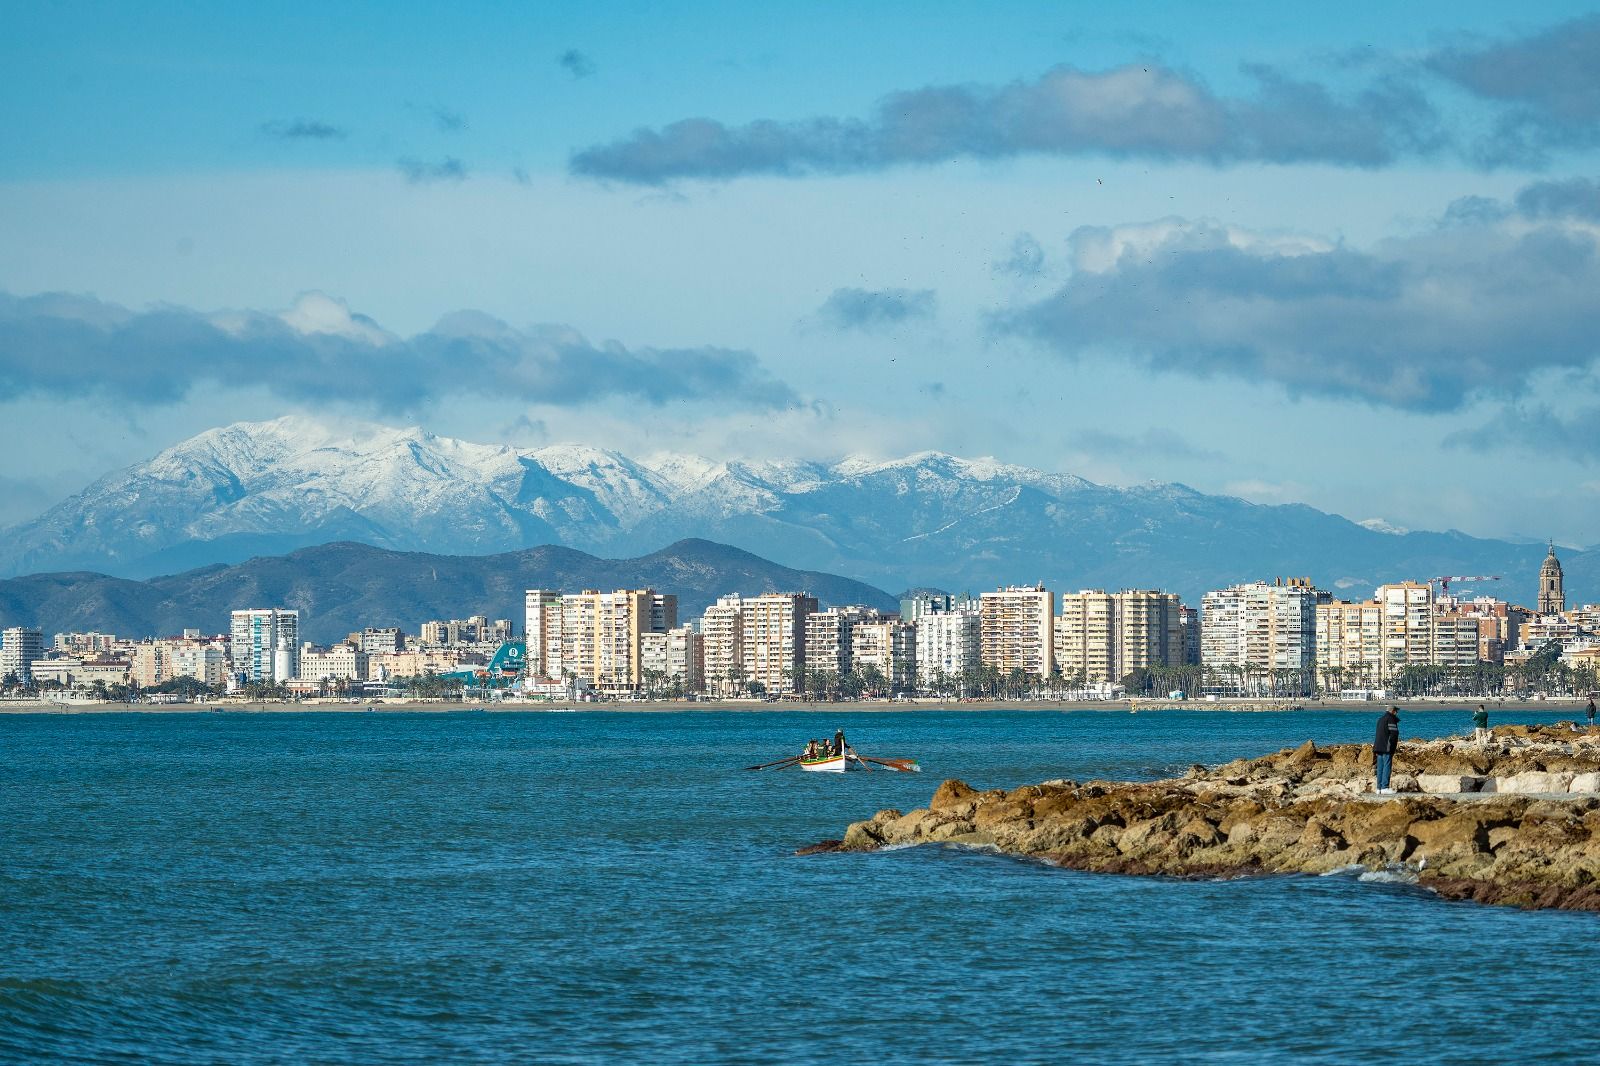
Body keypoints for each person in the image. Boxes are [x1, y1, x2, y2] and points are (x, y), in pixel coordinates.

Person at [1374, 706, 1401, 794]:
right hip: (1387, 747)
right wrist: (1392, 748)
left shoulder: (1380, 719)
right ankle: (1385, 787)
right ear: (1393, 711)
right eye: (1396, 711)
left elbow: (1378, 734)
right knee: (1386, 766)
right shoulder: (1391, 719)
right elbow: (1393, 735)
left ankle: (1379, 788)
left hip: (1378, 746)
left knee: (1380, 767)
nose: (1397, 713)